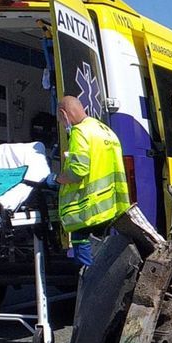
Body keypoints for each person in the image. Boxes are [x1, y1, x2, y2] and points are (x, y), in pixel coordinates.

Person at [46, 96, 131, 269]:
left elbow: (78, 172)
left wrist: (55, 179)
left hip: (87, 211)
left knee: (88, 268)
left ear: (64, 114)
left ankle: (92, 294)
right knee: (103, 260)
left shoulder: (80, 132)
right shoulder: (105, 130)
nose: (64, 125)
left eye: (62, 121)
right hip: (108, 208)